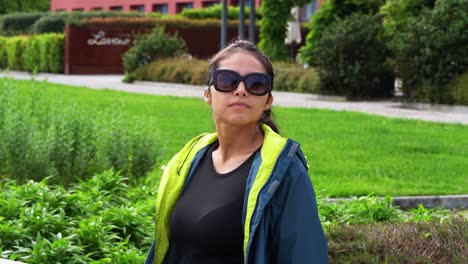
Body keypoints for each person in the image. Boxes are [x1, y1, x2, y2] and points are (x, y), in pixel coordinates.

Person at [145, 40, 328, 264]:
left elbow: (305, 255)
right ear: (207, 94)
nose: (241, 90)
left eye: (256, 84)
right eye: (227, 80)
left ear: (268, 101)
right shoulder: (187, 160)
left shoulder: (286, 172)